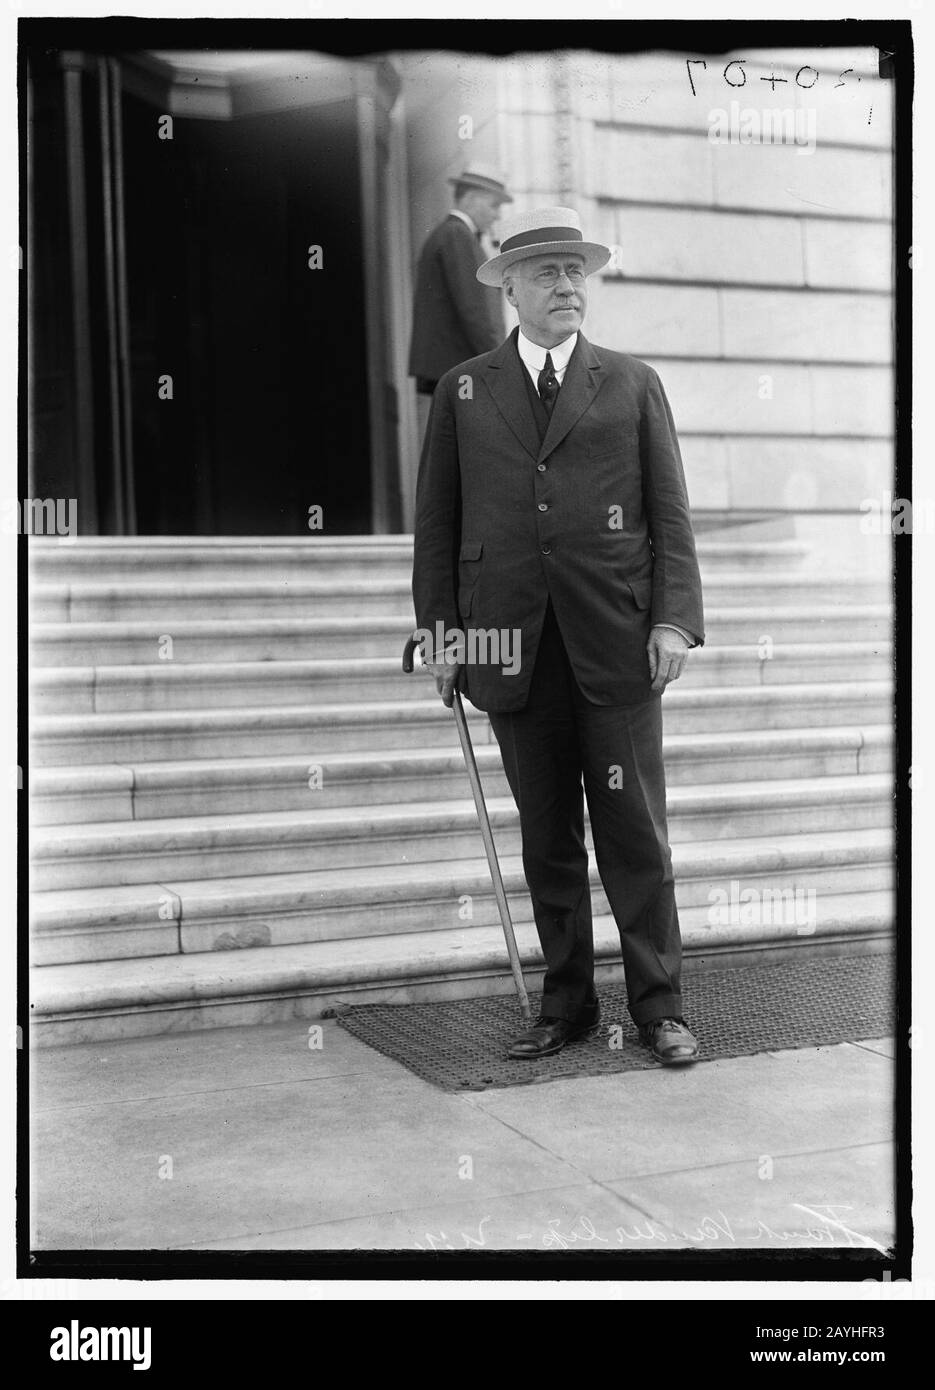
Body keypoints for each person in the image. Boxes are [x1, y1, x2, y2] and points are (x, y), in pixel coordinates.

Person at [412, 207, 705, 1065]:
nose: (567, 286)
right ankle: (566, 1005)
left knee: (635, 839)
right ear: (508, 286)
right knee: (546, 839)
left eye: (576, 271)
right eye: (545, 272)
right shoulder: (466, 389)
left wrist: (674, 620)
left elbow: (669, 514)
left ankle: (659, 1009)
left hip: (614, 642)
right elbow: (437, 525)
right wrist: (443, 638)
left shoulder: (631, 381)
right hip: (507, 647)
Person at [408, 163, 512, 398]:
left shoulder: (450, 233)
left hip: (449, 366)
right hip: (458, 365)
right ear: (472, 199)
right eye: (494, 205)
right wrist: (498, 363)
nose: (497, 215)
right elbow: (474, 309)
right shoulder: (458, 235)